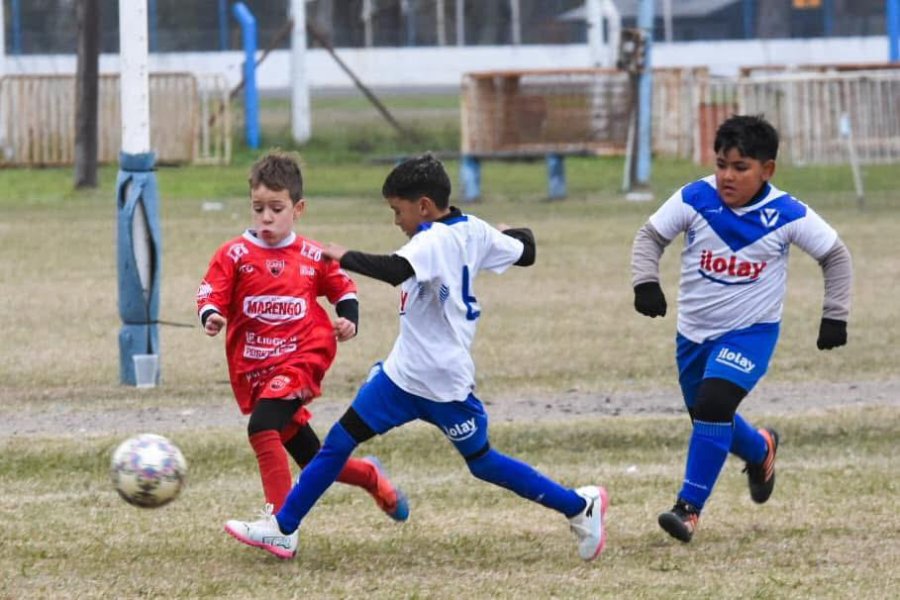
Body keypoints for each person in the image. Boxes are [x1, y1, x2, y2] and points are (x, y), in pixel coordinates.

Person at [223, 153, 609, 561]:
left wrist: (343, 255)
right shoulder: (473, 228)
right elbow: (526, 250)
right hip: (401, 376)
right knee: (338, 442)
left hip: (444, 383)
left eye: (398, 210)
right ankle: (283, 528)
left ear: (423, 206)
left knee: (483, 463)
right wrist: (507, 232)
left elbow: (394, 270)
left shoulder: (432, 240)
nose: (396, 221)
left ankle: (578, 506)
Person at [630, 114, 853, 543]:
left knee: (713, 406)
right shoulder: (695, 198)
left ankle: (688, 510)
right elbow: (650, 237)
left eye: (740, 167)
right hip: (693, 334)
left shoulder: (786, 213)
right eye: (721, 165)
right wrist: (646, 283)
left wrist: (834, 315)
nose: (727, 176)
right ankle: (761, 448)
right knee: (708, 417)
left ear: (767, 169)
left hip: (751, 334)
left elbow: (836, 256)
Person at [196, 152, 409, 541]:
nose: (266, 218)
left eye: (276, 209)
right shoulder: (234, 254)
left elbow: (342, 287)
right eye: (258, 208)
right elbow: (211, 291)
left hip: (304, 356)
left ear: (298, 209)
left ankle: (280, 526)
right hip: (257, 369)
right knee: (313, 459)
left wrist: (349, 318)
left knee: (262, 427)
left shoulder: (312, 255)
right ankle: (368, 475)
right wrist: (211, 314)